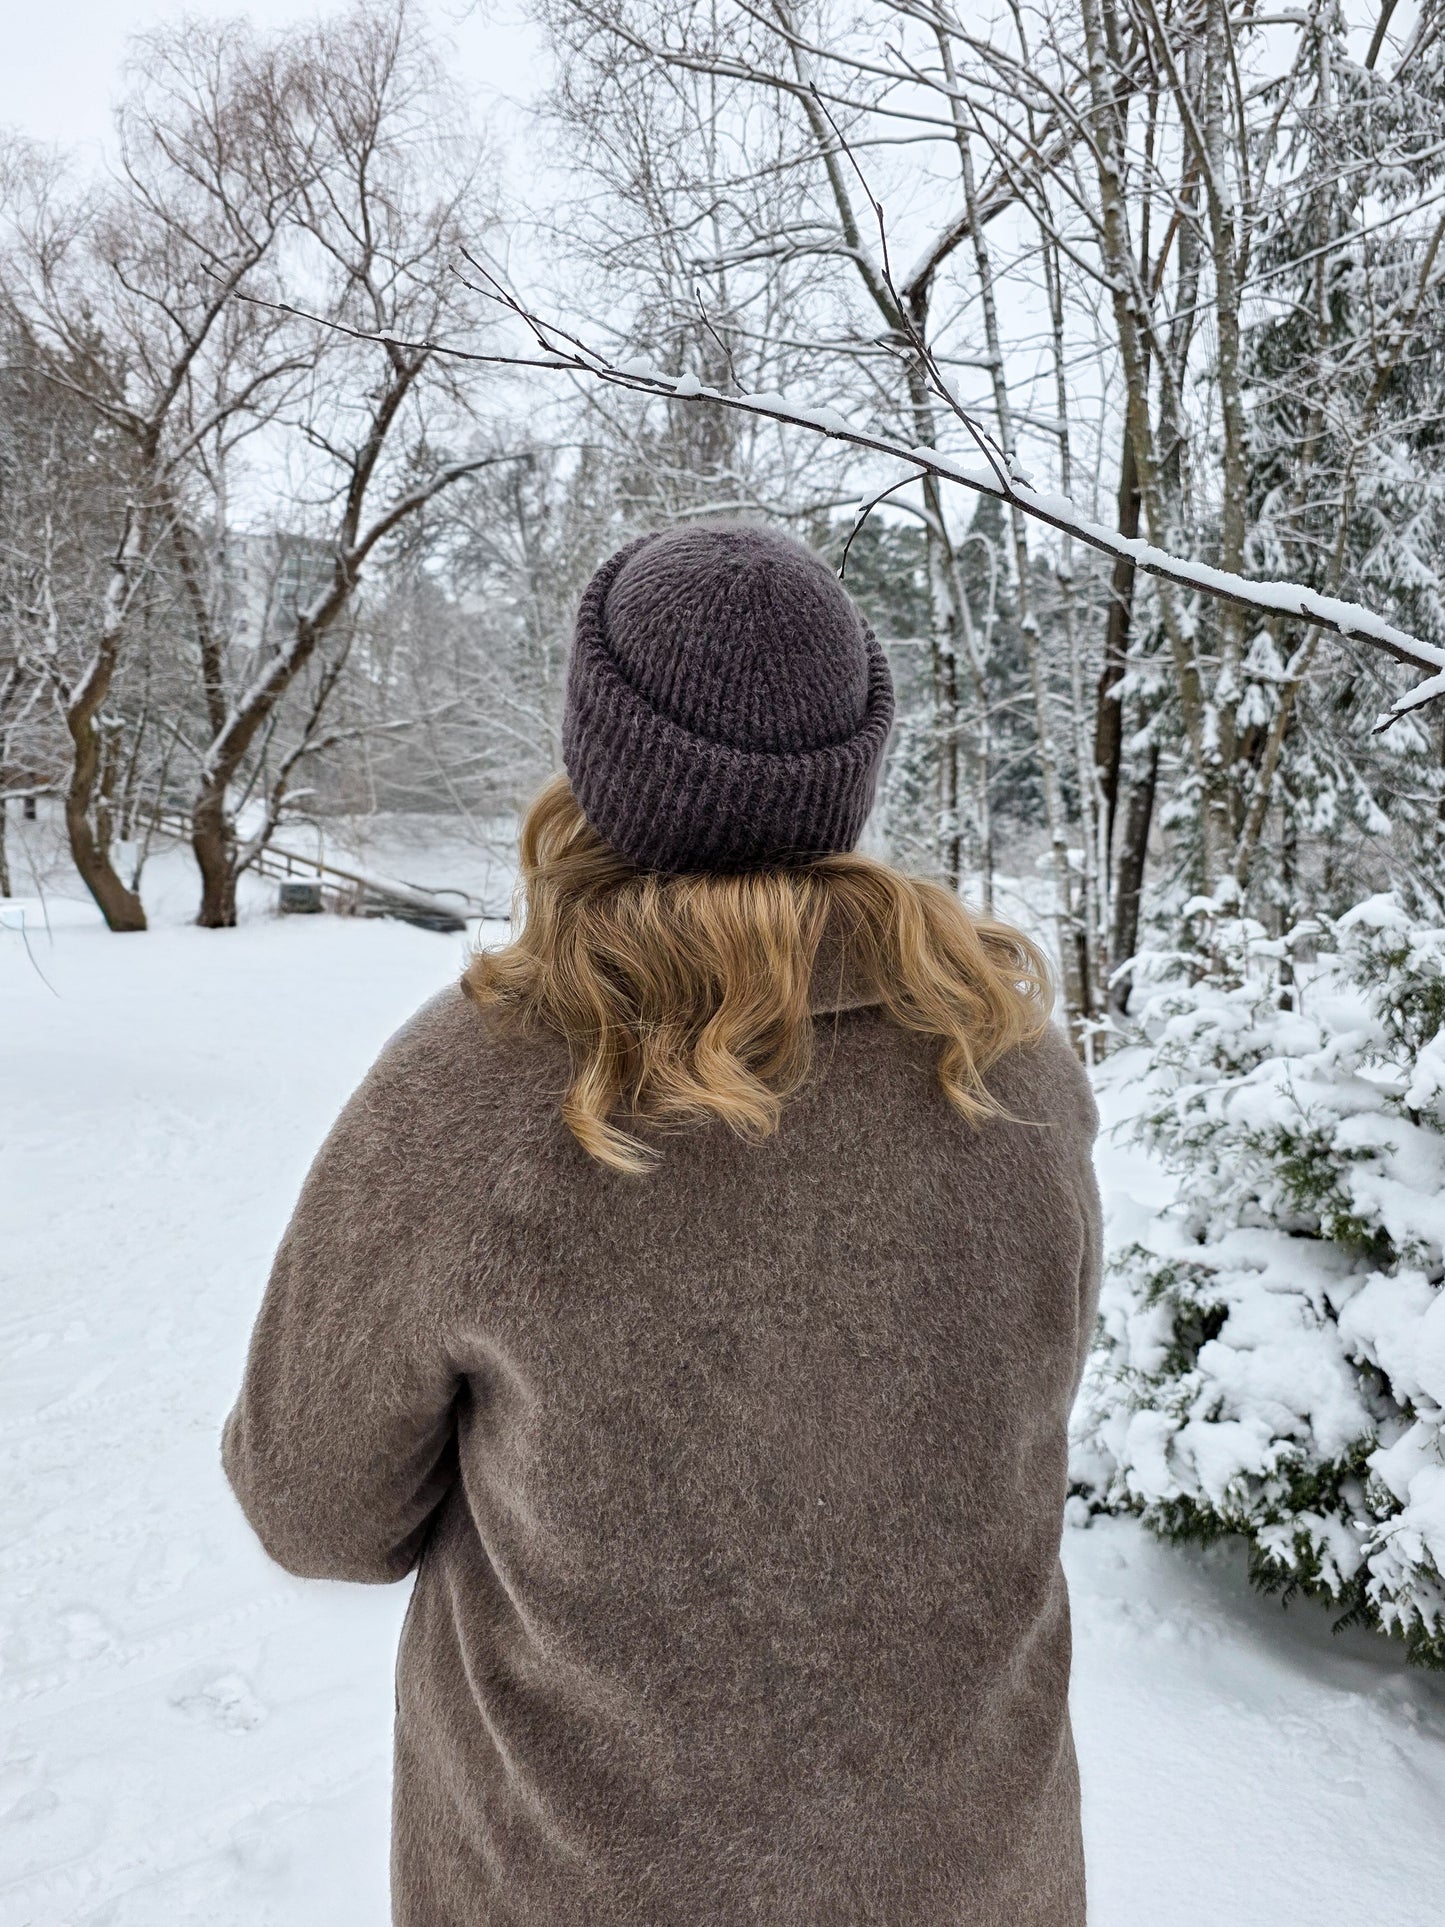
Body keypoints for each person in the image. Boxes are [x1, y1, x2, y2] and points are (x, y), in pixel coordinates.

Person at [222, 522, 1103, 1927]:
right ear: (847, 774)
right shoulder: (1010, 1071)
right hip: (971, 1878)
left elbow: (314, 1506)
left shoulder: (486, 1081)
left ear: (600, 756)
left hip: (573, 1885)